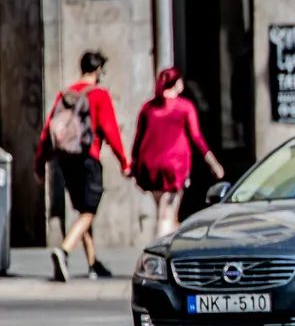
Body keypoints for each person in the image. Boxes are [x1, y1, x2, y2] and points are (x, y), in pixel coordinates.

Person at [35, 51, 131, 281]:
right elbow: (110, 130)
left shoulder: (65, 95)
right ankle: (64, 250)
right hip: (88, 157)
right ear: (98, 71)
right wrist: (124, 162)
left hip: (65, 160)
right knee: (89, 211)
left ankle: (92, 263)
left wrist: (39, 163)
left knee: (82, 211)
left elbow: (48, 130)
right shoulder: (99, 95)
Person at [132, 67, 226, 238]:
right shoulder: (184, 107)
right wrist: (214, 163)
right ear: (176, 84)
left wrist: (133, 165)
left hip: (150, 166)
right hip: (174, 166)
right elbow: (197, 137)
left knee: (164, 211)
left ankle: (169, 242)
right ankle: (160, 252)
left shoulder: (148, 108)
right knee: (165, 215)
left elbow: (138, 139)